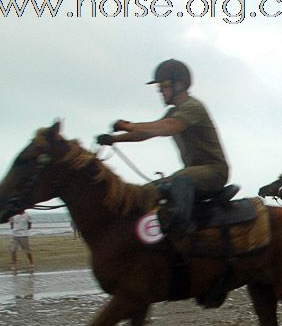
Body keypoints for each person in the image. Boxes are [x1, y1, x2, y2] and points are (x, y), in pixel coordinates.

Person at [96, 59, 229, 249]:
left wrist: (127, 125)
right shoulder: (173, 112)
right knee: (149, 190)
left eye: (163, 86)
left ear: (179, 84)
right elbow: (146, 133)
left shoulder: (193, 107)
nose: (160, 92)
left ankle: (183, 232)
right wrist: (114, 139)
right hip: (192, 173)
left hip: (214, 171)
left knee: (178, 179)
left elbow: (167, 128)